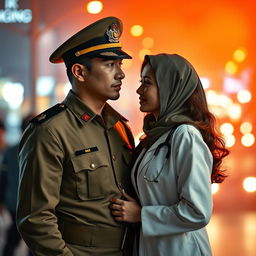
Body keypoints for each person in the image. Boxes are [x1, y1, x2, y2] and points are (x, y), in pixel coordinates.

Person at [17, 17, 135, 256]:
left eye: (120, 65)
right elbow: (35, 219)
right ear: (79, 71)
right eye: (109, 65)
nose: (120, 74)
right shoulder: (49, 131)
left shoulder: (120, 127)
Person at [110, 53, 229, 256]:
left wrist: (141, 215)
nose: (139, 90)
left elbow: (198, 212)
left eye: (147, 83)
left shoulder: (185, 135)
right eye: (141, 82)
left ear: (170, 87)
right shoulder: (156, 137)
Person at [0, 114, 34, 256]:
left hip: (16, 204)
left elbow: (3, 180)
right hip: (31, 205)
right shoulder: (41, 150)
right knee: (35, 242)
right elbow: (3, 179)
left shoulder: (10, 151)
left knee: (13, 240)